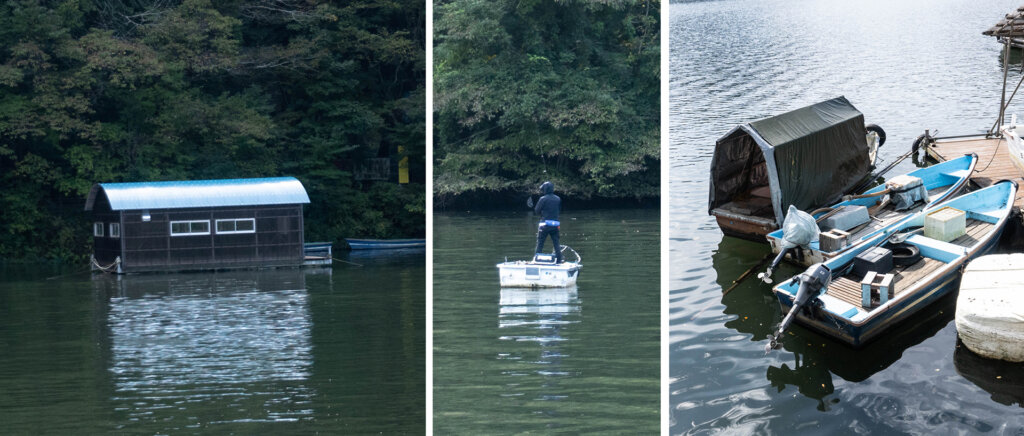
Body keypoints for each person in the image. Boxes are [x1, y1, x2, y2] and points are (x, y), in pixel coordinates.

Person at [533, 181, 563, 263]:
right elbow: (559, 210)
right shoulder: (558, 199)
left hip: (545, 225)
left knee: (540, 243)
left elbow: (537, 211)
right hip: (555, 225)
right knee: (556, 243)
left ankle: (536, 260)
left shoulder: (542, 199)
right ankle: (559, 260)